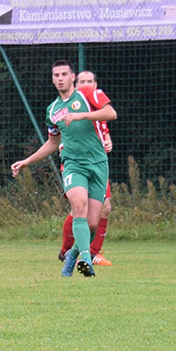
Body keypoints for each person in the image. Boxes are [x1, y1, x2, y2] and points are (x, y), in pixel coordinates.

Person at [11, 60, 116, 277]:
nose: (60, 79)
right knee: (78, 205)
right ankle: (85, 259)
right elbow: (52, 142)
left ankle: (72, 254)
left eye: (64, 74)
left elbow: (111, 113)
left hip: (98, 164)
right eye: (56, 75)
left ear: (72, 77)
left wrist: (82, 115)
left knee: (92, 224)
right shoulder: (53, 110)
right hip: (73, 165)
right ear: (52, 79)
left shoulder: (88, 94)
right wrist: (27, 161)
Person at [58, 70, 113, 267]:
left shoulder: (97, 109)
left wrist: (108, 142)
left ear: (95, 85)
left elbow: (104, 131)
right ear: (75, 84)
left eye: (90, 81)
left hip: (96, 165)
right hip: (75, 164)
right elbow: (59, 136)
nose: (86, 85)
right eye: (82, 81)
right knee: (79, 209)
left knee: (104, 208)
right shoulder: (66, 107)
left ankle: (91, 252)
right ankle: (68, 252)